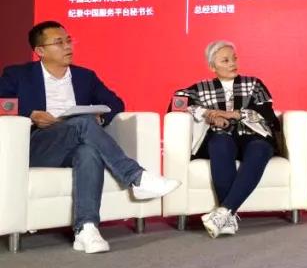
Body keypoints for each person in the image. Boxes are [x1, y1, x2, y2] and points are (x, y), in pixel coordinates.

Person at [0, 20, 180, 254]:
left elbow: (115, 103)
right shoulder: (18, 75)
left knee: (88, 151)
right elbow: (2, 103)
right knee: (84, 122)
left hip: (74, 142)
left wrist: (100, 118)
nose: (67, 46)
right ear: (40, 51)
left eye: (68, 40)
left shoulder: (84, 76)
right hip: (36, 146)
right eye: (59, 42)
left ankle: (86, 229)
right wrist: (30, 115)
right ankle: (136, 177)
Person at [173, 40, 281, 238]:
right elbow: (177, 102)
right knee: (220, 143)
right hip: (221, 135)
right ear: (212, 67)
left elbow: (267, 112)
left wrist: (236, 114)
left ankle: (224, 212)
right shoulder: (201, 88)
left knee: (260, 148)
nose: (232, 63)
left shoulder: (253, 84)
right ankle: (227, 217)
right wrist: (209, 114)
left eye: (234, 59)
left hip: (252, 134)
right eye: (225, 60)